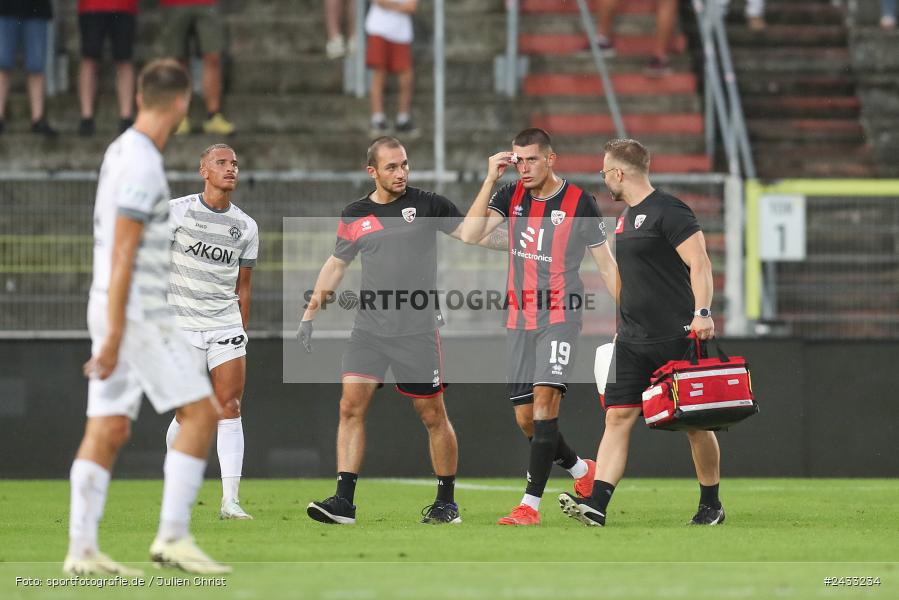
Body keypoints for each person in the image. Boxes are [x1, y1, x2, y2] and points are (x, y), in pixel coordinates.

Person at [64, 59, 229, 576]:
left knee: (108, 427)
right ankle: (173, 539)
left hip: (113, 305)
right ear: (181, 103)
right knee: (203, 414)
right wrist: (115, 334)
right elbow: (124, 253)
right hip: (135, 311)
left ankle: (82, 550)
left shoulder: (121, 151)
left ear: (139, 97)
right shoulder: (141, 164)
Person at [300, 137, 504, 526]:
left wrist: (497, 193)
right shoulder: (355, 214)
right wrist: (309, 314)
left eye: (404, 165)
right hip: (369, 330)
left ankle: (447, 503)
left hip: (417, 332)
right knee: (349, 406)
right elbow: (336, 265)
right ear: (372, 171)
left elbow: (471, 234)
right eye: (391, 167)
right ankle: (344, 502)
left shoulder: (428, 205)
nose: (401, 173)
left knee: (431, 414)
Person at [557, 138, 722, 528]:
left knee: (695, 424)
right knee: (617, 418)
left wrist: (702, 312)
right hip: (631, 339)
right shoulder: (624, 218)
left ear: (618, 173)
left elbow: (700, 264)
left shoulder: (670, 210)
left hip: (676, 336)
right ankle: (597, 505)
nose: (603, 179)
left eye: (604, 172)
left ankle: (711, 504)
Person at [459, 128, 620, 526]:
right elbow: (469, 234)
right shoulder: (507, 195)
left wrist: (629, 314)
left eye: (531, 159)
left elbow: (606, 264)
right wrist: (490, 179)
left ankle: (529, 505)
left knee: (547, 405)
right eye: (518, 160)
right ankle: (583, 472)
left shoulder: (581, 203)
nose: (523, 167)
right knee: (528, 419)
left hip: (561, 316)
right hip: (519, 319)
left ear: (552, 159)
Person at [165, 143, 259, 521]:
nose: (230, 168)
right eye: (221, 163)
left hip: (225, 324)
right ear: (203, 170)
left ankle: (230, 501)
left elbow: (245, 286)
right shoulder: (176, 212)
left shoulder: (246, 226)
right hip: (182, 323)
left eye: (234, 163)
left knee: (229, 406)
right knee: (189, 413)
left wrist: (242, 329)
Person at [159, 0, 235, 135]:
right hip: (173, 4)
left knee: (213, 55)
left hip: (207, 3)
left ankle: (213, 115)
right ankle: (180, 116)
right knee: (178, 59)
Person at [77, 0, 138, 136]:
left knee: (124, 59)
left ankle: (126, 117)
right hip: (91, 6)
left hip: (124, 7)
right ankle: (86, 117)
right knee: (89, 58)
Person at [0, 0, 57, 136]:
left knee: (36, 66)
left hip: (37, 9)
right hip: (4, 8)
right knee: (2, 64)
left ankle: (37, 118)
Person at [365, 0, 418, 137]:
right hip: (379, 29)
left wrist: (390, 5)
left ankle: (403, 117)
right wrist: (400, 7)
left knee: (406, 76)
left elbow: (411, 7)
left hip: (401, 33)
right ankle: (377, 117)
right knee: (379, 73)